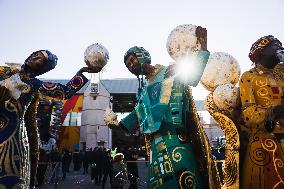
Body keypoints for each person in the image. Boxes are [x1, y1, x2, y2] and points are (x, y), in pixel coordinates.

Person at [105, 25, 220, 188]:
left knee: (186, 182)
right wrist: (117, 124)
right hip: (155, 149)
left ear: (143, 56)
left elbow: (193, 77)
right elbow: (138, 115)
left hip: (177, 140)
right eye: (127, 65)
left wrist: (203, 50)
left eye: (132, 60)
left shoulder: (169, 71)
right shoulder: (143, 91)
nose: (131, 65)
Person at [0, 50, 101, 188]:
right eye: (35, 54)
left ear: (43, 68)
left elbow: (64, 91)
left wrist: (82, 71)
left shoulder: (35, 84)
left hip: (14, 139)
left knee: (11, 179)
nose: (34, 57)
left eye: (41, 59)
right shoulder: (4, 71)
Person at [239, 35, 284, 188]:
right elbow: (248, 113)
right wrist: (272, 112)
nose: (279, 49)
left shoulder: (281, 76)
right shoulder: (248, 77)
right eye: (275, 47)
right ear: (261, 53)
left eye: (280, 46)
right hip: (264, 140)